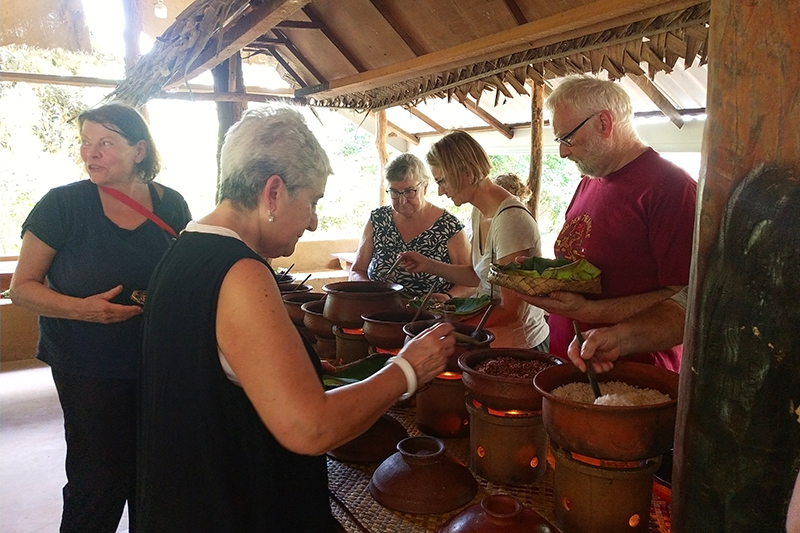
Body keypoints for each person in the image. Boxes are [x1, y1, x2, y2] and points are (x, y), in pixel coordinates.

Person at [136, 107, 455, 532]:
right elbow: (309, 428)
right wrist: (409, 370)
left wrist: (297, 371)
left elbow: (207, 371)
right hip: (231, 505)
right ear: (273, 192)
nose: (313, 220)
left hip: (183, 496)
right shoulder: (241, 271)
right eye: (312, 201)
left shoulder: (186, 247)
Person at [9, 102, 191, 533]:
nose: (91, 153)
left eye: (105, 143)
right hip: (86, 365)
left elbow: (185, 276)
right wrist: (83, 310)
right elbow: (21, 289)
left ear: (139, 150)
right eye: (86, 143)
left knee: (155, 476)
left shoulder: (172, 205)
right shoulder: (62, 206)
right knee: (98, 477)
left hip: (155, 362)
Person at [519, 76, 697, 372]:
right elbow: (587, 264)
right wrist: (543, 275)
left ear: (604, 123)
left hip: (631, 374)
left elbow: (686, 299)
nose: (563, 152)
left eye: (567, 138)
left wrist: (591, 311)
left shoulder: (670, 188)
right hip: (570, 363)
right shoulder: (588, 183)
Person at [398, 130, 549, 351]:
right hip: (492, 338)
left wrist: (449, 325)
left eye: (443, 181)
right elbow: (478, 275)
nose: (441, 191)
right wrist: (429, 265)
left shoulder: (510, 220)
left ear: (467, 174)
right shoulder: (480, 212)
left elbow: (511, 311)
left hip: (522, 346)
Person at [350, 153, 472, 297]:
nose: (402, 200)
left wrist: (448, 297)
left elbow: (470, 282)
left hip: (429, 315)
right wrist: (370, 292)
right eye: (394, 192)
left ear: (425, 187)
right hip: (378, 311)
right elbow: (357, 270)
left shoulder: (449, 227)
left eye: (409, 191)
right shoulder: (378, 219)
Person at [568, 286, 687, 374]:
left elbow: (684, 304)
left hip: (647, 370)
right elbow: (684, 304)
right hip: (575, 355)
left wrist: (589, 311)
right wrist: (619, 339)